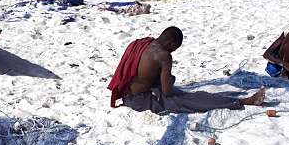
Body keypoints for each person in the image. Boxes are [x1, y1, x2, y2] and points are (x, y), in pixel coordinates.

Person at [109, 27, 265, 112]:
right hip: (141, 101)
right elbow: (167, 93)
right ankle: (243, 101)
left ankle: (236, 99)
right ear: (172, 43)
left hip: (128, 95)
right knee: (193, 99)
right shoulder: (163, 55)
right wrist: (169, 81)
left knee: (182, 91)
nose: (173, 51)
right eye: (175, 48)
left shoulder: (142, 43)